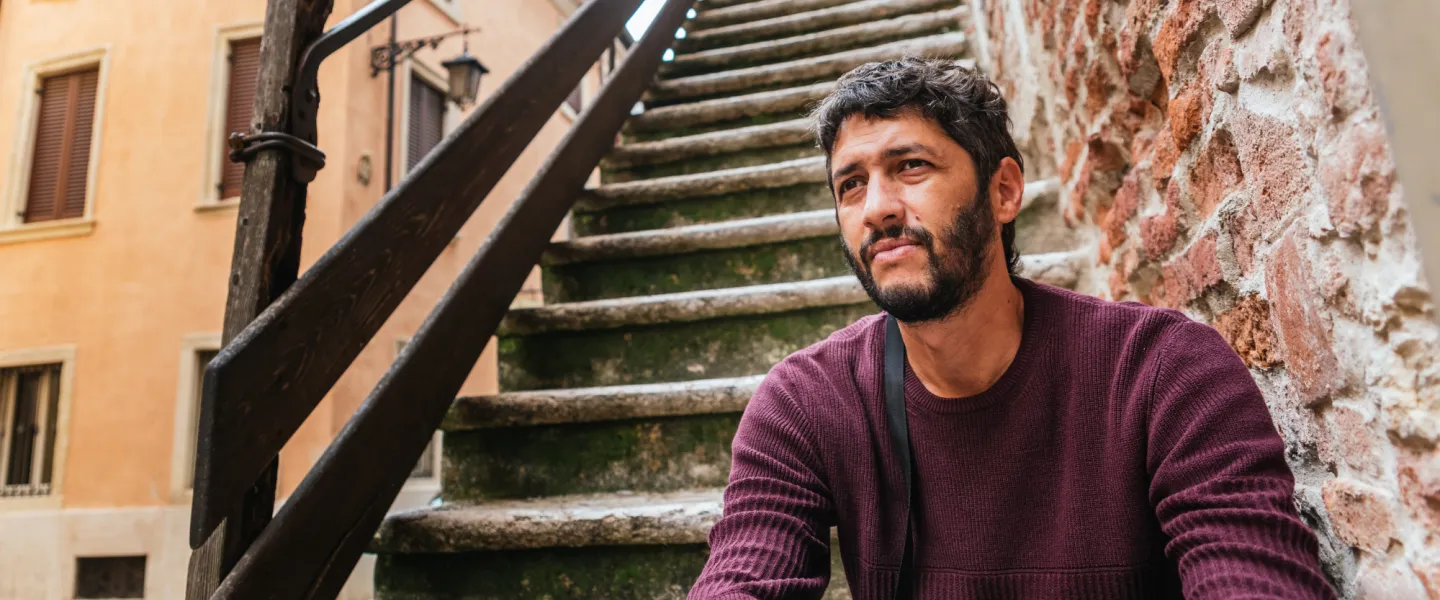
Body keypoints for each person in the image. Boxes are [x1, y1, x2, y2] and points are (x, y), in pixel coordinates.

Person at [687, 58, 1334, 599]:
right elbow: (743, 577)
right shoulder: (806, 403)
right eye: (851, 185)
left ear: (1004, 191)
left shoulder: (1163, 371)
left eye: (910, 166)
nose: (877, 208)